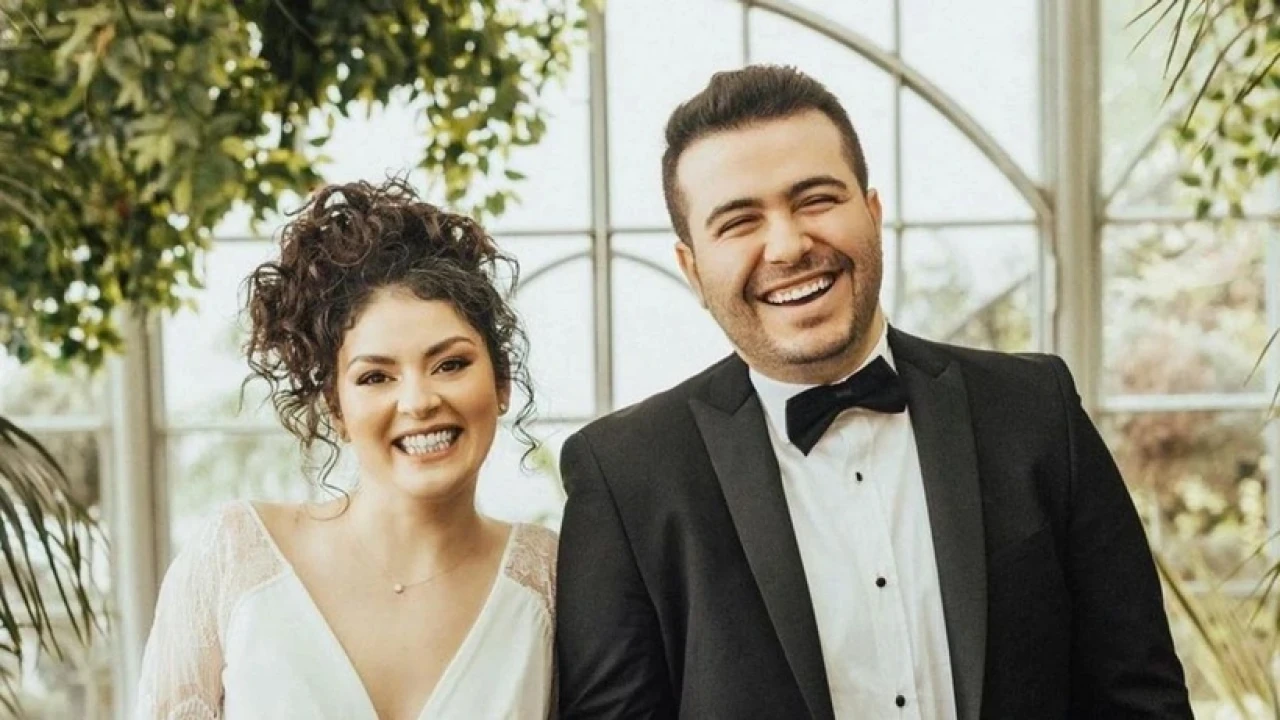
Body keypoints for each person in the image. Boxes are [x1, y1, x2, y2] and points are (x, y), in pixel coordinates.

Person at [555, 65, 1191, 720]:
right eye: (740, 222)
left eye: (816, 200)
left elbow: (1141, 698)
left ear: (873, 213)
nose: (788, 246)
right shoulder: (625, 475)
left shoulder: (1036, 410)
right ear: (692, 268)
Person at [135, 179, 557, 719]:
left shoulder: (549, 579)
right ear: (336, 410)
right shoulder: (235, 558)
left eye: (450, 364)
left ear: (501, 384)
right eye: (376, 377)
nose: (419, 401)